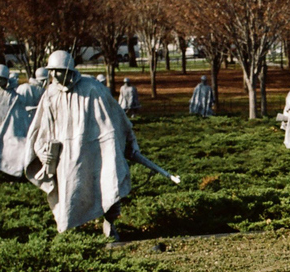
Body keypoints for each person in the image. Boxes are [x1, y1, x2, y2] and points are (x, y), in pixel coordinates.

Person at [24, 50, 178, 241]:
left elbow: (117, 118)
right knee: (69, 192)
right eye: (52, 71)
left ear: (70, 71)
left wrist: (128, 142)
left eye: (59, 71)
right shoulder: (50, 95)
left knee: (106, 184)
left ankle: (110, 224)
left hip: (95, 151)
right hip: (65, 155)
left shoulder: (93, 89)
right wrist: (43, 152)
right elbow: (42, 129)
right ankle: (70, 232)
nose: (55, 75)